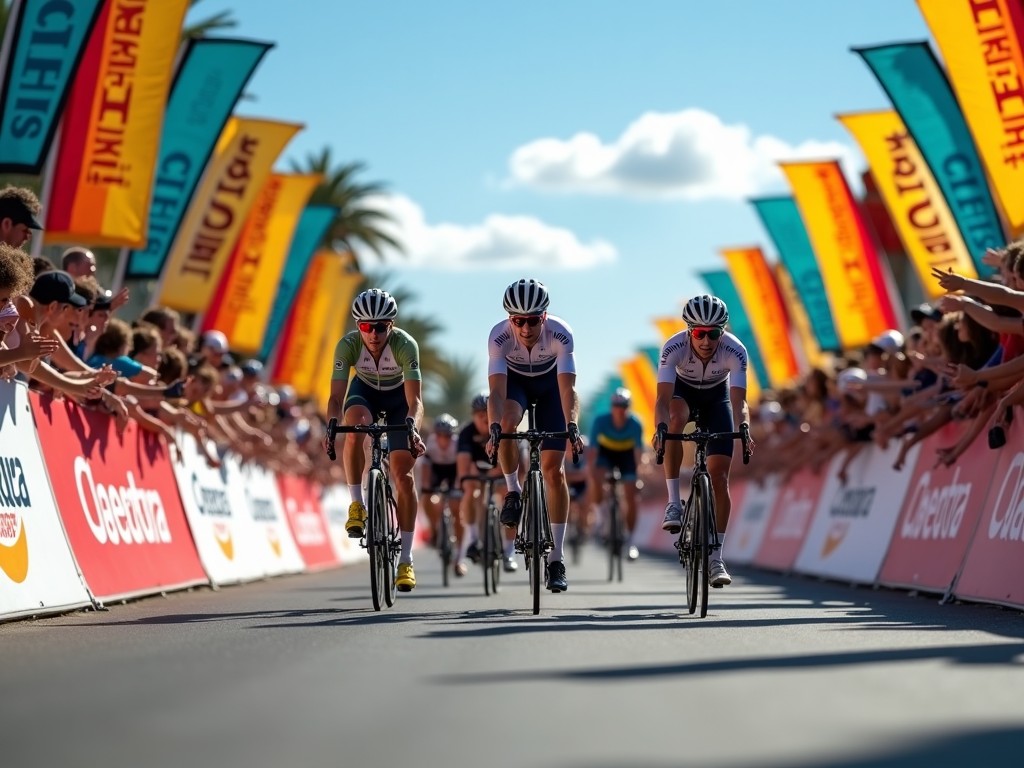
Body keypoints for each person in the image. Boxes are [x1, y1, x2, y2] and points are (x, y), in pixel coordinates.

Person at [324, 288, 426, 592]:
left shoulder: (405, 345)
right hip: (364, 392)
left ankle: (405, 560)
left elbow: (416, 402)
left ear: (390, 326)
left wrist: (413, 429)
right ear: (358, 326)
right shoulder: (348, 345)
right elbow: (335, 398)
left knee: (403, 476)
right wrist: (331, 423)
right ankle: (357, 504)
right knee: (353, 424)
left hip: (399, 401)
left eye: (380, 326)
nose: (373, 333)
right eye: (366, 326)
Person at [486, 278, 584, 593]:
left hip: (551, 388)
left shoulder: (561, 333)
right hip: (516, 386)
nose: (525, 328)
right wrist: (494, 428)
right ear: (509, 319)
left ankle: (556, 558)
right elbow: (497, 394)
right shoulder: (499, 337)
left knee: (554, 471)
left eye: (532, 320)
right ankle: (513, 490)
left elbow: (568, 388)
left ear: (544, 316)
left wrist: (572, 424)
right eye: (518, 321)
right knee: (508, 422)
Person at [653, 294, 754, 588]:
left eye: (713, 334)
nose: (707, 341)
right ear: (689, 331)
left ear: (722, 332)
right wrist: (659, 428)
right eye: (699, 333)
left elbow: (740, 402)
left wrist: (744, 427)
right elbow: (661, 399)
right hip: (682, 394)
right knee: (674, 420)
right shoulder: (673, 348)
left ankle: (716, 558)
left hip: (716, 398)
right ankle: (674, 502)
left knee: (720, 477)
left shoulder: (735, 351)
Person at [457, 390, 519, 572]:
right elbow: (463, 465)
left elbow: (517, 465)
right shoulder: (467, 433)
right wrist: (465, 479)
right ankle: (474, 539)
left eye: (488, 413)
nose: (484, 418)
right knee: (469, 489)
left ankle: (509, 551)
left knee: (510, 498)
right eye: (480, 414)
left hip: (502, 472)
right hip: (479, 473)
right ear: (473, 417)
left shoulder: (502, 428)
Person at [588, 386, 645, 560]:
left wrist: (638, 477)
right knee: (596, 477)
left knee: (630, 494)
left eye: (624, 406)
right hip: (606, 454)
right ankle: (600, 514)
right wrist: (593, 474)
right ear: (612, 407)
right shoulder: (600, 421)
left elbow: (638, 453)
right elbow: (592, 451)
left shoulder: (635, 423)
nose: (620, 409)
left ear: (629, 407)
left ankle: (631, 541)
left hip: (626, 455)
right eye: (616, 406)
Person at [418, 413, 466, 574]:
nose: (444, 439)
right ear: (435, 435)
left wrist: (459, 486)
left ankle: (459, 558)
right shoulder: (430, 444)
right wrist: (426, 487)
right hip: (436, 471)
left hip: (454, 470)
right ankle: (434, 530)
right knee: (427, 498)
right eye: (440, 435)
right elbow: (425, 468)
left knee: (457, 511)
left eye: (448, 435)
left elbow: (461, 469)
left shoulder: (458, 444)